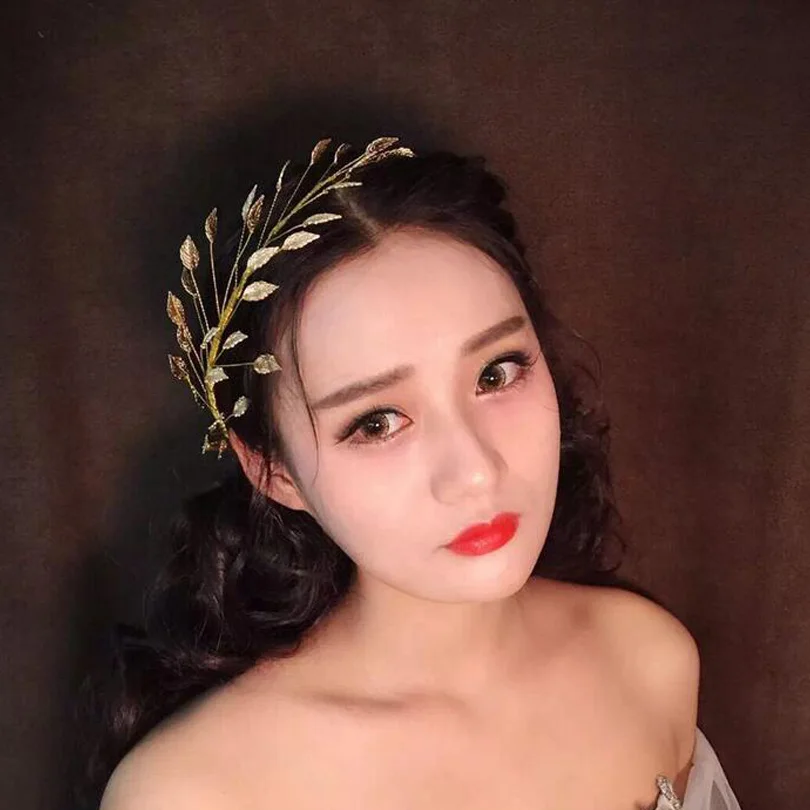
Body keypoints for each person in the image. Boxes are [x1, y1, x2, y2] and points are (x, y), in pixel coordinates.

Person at [90, 138, 741, 809]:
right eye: (376, 422)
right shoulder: (194, 793)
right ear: (273, 468)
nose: (475, 472)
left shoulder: (647, 660)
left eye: (496, 374)